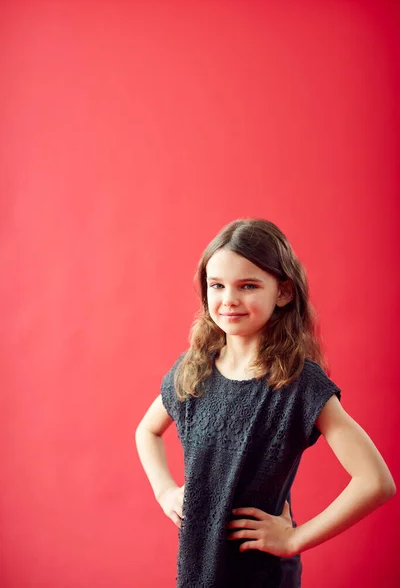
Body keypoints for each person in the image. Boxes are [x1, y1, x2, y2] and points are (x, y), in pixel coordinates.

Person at [135, 218, 396, 588]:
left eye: (248, 286)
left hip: (261, 574)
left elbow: (376, 481)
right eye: (217, 286)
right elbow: (147, 430)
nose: (229, 299)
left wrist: (294, 538)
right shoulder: (193, 369)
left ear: (284, 292)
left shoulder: (298, 382)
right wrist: (165, 491)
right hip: (198, 568)